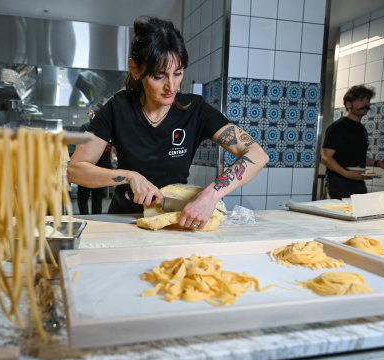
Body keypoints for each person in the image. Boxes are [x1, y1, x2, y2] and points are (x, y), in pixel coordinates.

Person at [67, 16, 268, 230]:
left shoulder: (195, 110)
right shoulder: (118, 108)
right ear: (135, 69)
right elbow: (76, 170)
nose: (171, 86)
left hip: (177, 221)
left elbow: (257, 154)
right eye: (158, 76)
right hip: (125, 221)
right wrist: (128, 176)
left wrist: (210, 195)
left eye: (178, 73)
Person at [321, 85, 384, 199]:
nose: (366, 104)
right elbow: (325, 157)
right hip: (339, 183)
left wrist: (378, 163)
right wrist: (346, 173)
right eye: (361, 100)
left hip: (358, 182)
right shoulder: (338, 127)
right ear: (348, 104)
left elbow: (356, 157)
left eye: (368, 100)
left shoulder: (361, 129)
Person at [76, 108, 112, 214]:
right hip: (101, 169)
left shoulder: (85, 127)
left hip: (86, 168)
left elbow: (79, 147)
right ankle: (96, 220)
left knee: (83, 196)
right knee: (98, 197)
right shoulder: (108, 128)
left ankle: (84, 217)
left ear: (92, 114)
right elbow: (111, 149)